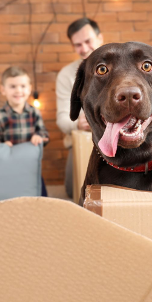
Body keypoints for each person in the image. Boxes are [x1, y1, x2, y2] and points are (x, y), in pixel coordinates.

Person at [56, 18, 104, 198]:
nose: (83, 49)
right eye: (77, 44)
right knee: (74, 190)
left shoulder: (122, 66)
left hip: (120, 139)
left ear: (100, 38)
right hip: (83, 140)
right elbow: (62, 120)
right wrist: (77, 123)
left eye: (88, 41)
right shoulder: (66, 75)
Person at [0, 66, 49, 196]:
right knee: (10, 194)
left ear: (29, 88)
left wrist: (39, 136)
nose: (18, 91)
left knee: (41, 195)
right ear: (3, 90)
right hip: (8, 166)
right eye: (13, 86)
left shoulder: (34, 113)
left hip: (31, 165)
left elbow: (44, 134)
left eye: (22, 86)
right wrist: (1, 146)